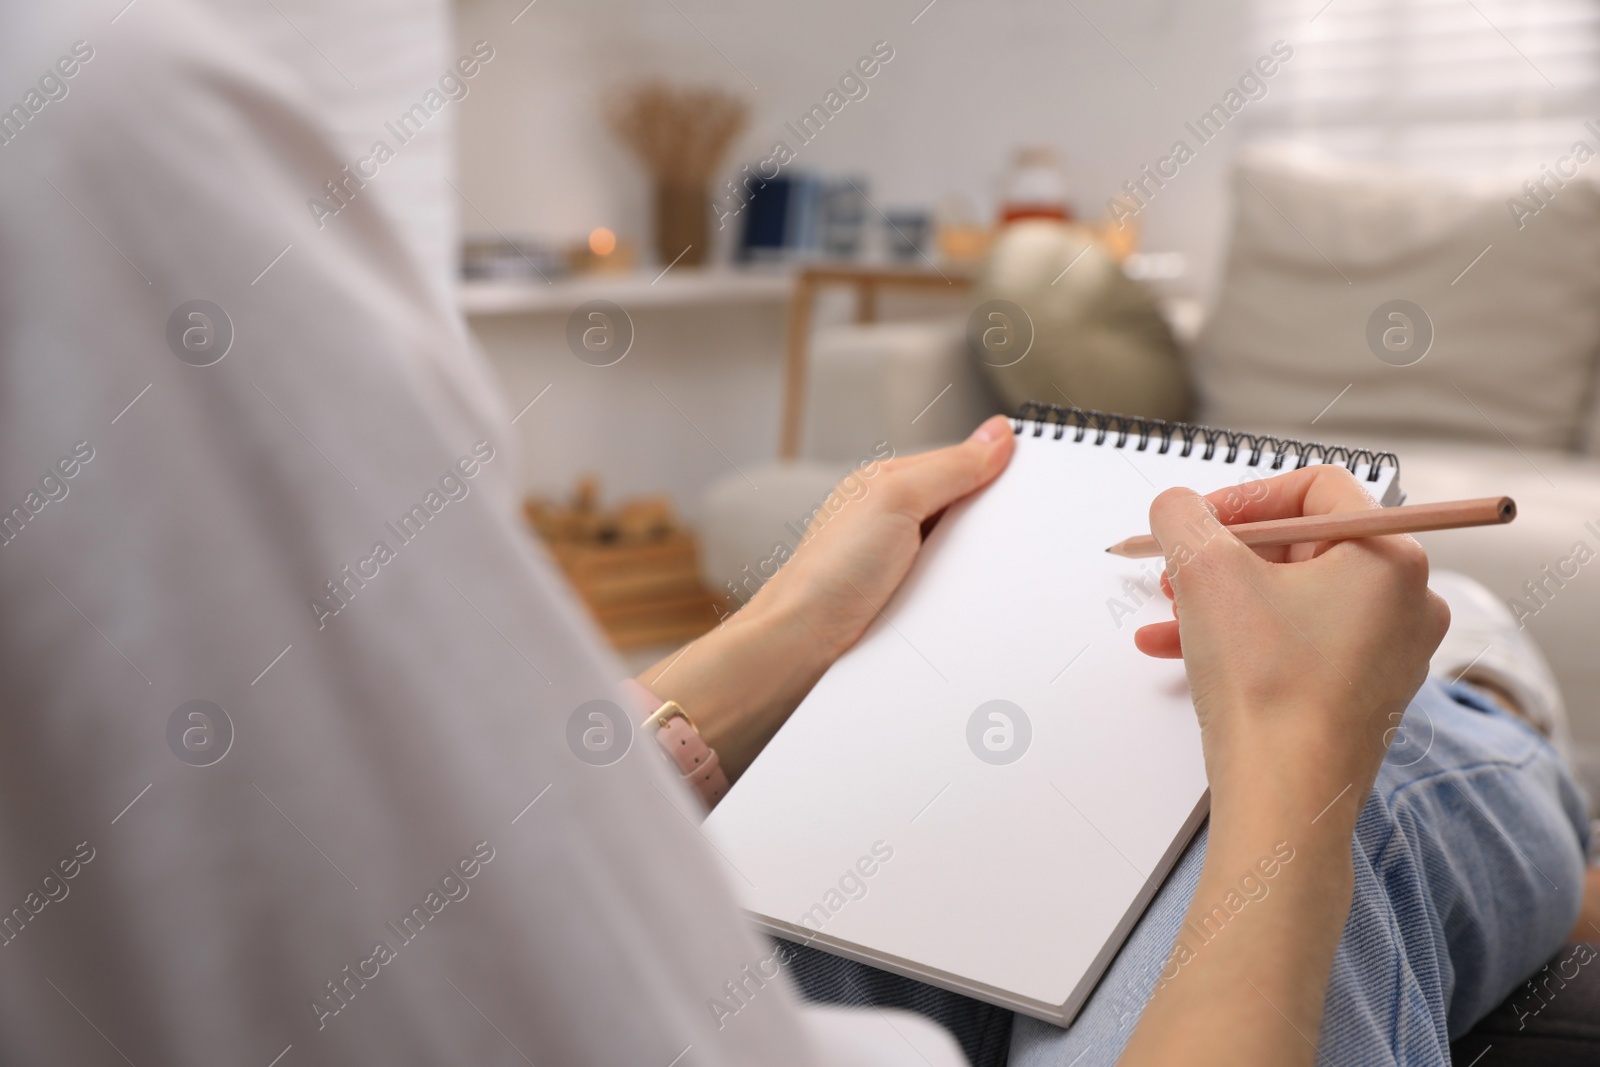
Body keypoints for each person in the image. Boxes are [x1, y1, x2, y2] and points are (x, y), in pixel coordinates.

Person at [0, 3, 1589, 1066]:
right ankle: (1485, 785)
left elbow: (449, 843)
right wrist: (1305, 767)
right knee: (1247, 786)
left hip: (979, 736)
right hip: (1264, 693)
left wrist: (771, 647)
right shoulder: (83, 140)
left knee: (958, 829)